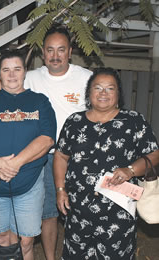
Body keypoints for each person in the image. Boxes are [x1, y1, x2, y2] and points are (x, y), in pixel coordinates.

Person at [0, 26, 92, 260]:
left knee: (82, 212)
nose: (55, 56)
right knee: (49, 214)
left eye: (61, 50)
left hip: (80, 158)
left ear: (70, 52)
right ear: (42, 53)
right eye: (50, 50)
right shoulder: (33, 78)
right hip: (43, 157)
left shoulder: (86, 78)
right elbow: (3, 94)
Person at [54, 67, 159, 259]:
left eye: (110, 88)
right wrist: (60, 190)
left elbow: (154, 154)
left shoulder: (133, 121)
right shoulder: (74, 122)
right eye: (98, 88)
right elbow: (61, 156)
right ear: (88, 93)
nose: (103, 93)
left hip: (118, 213)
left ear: (118, 94)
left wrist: (130, 170)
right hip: (78, 211)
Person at [0, 50, 56, 260]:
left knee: (25, 242)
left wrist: (14, 163)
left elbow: (47, 139)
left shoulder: (40, 102)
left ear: (25, 72)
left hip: (28, 185)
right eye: (6, 70)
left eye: (17, 69)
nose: (12, 75)